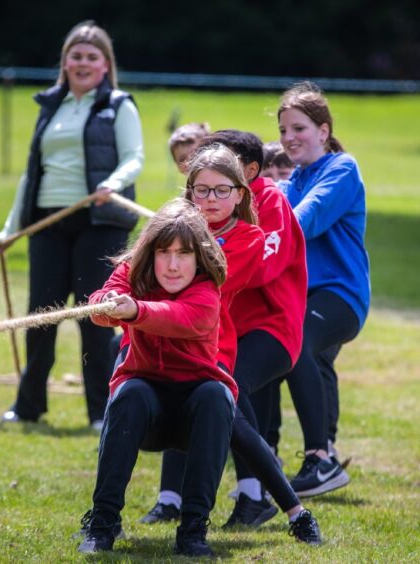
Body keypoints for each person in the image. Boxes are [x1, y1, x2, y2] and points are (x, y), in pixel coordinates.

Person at [139, 144, 322, 543]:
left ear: (242, 184)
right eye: (201, 190)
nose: (211, 199)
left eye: (222, 189)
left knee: (227, 406)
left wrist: (163, 283)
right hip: (198, 339)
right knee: (196, 400)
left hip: (236, 338)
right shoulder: (186, 226)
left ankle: (277, 505)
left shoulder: (249, 230)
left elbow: (210, 286)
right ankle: (165, 504)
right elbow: (136, 269)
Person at [0, 21, 144, 429]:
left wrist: (112, 183)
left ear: (105, 64)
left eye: (92, 57)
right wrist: (10, 230)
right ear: (65, 62)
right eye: (75, 56)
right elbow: (30, 174)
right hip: (47, 221)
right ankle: (28, 405)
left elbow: (134, 158)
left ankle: (101, 411)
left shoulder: (119, 104)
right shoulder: (51, 106)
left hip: (101, 219)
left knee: (96, 316)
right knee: (40, 314)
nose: (82, 63)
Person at [77, 198, 233, 557]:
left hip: (194, 411)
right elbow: (101, 305)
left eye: (184, 254)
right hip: (143, 409)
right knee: (129, 393)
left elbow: (179, 317)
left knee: (216, 395)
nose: (173, 265)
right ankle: (102, 524)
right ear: (150, 253)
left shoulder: (206, 291)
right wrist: (109, 302)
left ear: (200, 258)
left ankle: (193, 530)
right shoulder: (133, 271)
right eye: (164, 252)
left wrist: (136, 310)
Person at [277, 82, 371, 497]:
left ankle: (320, 459)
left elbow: (308, 218)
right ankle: (270, 467)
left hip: (341, 295)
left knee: (297, 344)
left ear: (323, 130)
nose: (289, 138)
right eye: (283, 131)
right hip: (303, 298)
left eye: (299, 128)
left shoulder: (342, 168)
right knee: (299, 355)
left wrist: (272, 227)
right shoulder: (291, 180)